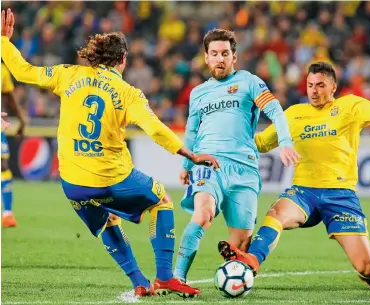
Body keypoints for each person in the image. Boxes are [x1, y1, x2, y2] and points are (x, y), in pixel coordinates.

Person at [1, 8, 219, 298]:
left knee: (106, 222)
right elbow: (154, 128)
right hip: (110, 177)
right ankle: (165, 277)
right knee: (162, 201)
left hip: (72, 183)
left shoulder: (68, 74)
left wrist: (4, 41)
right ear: (123, 59)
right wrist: (190, 155)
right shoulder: (128, 92)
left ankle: (139, 282)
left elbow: (23, 71)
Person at [219, 48, 370, 290]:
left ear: (333, 87)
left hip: (340, 195)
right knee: (275, 214)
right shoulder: (294, 114)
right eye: (310, 85)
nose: (314, 91)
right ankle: (251, 260)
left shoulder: (350, 107)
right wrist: (230, 140)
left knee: (365, 267)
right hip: (304, 192)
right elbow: (262, 143)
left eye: (320, 85)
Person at [174, 28, 300, 283]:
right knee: (203, 213)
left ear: (234, 57)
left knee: (241, 245)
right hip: (209, 163)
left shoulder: (249, 82)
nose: (220, 59)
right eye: (214, 54)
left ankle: (233, 279)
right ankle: (176, 278)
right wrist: (187, 163)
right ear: (206, 58)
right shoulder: (198, 93)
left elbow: (275, 110)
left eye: (225, 53)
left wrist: (285, 141)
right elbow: (191, 130)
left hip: (244, 169)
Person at [1, 62, 26, 228]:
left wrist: (21, 119)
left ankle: (8, 213)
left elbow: (9, 96)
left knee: (3, 166)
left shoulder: (2, 71)